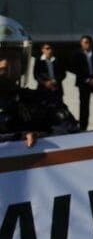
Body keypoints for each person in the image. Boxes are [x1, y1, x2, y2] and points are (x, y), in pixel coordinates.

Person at [0, 16, 78, 146]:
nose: (5, 64)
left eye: (13, 57)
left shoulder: (41, 100)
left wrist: (41, 139)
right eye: (0, 56)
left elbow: (71, 131)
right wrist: (17, 138)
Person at [72, 35, 93, 131]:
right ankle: (83, 127)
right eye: (84, 42)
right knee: (84, 106)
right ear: (81, 44)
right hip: (83, 83)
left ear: (91, 43)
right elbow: (76, 69)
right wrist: (87, 80)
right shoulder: (77, 55)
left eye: (88, 42)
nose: (87, 44)